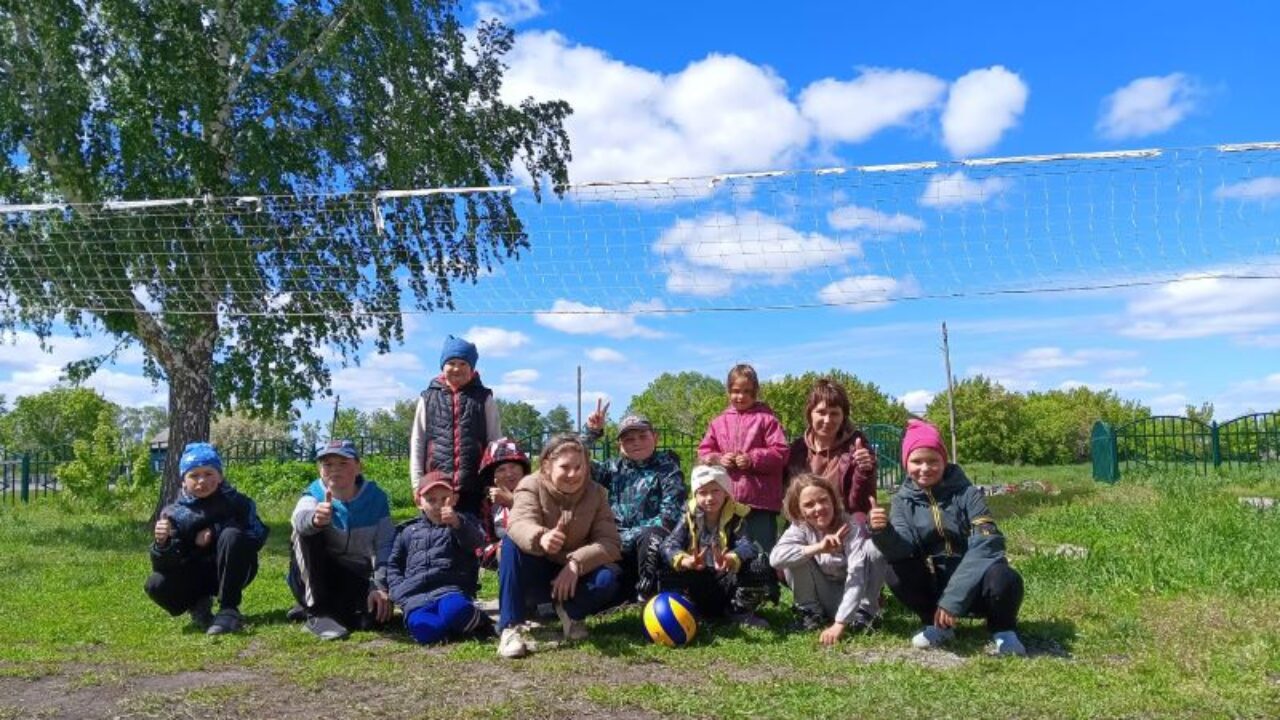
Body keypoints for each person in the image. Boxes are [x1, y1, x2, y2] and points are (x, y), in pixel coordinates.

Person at [869, 419, 1028, 656]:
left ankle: (1003, 630)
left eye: (933, 461)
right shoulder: (901, 501)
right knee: (894, 570)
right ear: (906, 464)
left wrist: (953, 599)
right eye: (916, 461)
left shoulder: (968, 493)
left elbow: (988, 543)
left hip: (977, 585)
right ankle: (938, 625)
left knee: (1006, 577)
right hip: (937, 587)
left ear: (944, 461)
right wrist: (882, 532)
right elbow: (903, 551)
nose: (925, 468)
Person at [496, 434, 622, 659]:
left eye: (579, 466)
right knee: (510, 544)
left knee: (608, 579)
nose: (573, 474)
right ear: (546, 465)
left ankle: (570, 612)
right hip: (537, 568)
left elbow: (610, 543)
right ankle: (510, 626)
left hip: (573, 575)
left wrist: (576, 563)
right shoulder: (530, 485)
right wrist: (541, 537)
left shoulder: (596, 493)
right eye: (565, 467)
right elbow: (518, 523)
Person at [145, 442, 269, 635]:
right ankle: (197, 605)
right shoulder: (173, 513)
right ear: (183, 480)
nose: (201, 481)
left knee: (232, 534)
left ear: (219, 476)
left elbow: (258, 535)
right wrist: (162, 545)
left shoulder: (239, 503)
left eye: (208, 473)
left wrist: (217, 531)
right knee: (155, 584)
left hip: (233, 570)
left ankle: (229, 609)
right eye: (194, 475)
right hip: (195, 573)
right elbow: (164, 567)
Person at [286, 439, 394, 641]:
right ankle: (316, 612)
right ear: (320, 470)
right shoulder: (313, 494)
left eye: (343, 463)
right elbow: (299, 520)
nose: (334, 469)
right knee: (306, 533)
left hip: (353, 574)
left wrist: (380, 587)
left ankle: (319, 610)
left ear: (358, 466)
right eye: (327, 464)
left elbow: (385, 544)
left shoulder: (376, 498)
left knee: (371, 620)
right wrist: (315, 520)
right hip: (312, 575)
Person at [698, 363, 789, 587]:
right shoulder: (718, 422)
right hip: (728, 499)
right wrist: (719, 458)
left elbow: (781, 452)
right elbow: (704, 451)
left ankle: (767, 587)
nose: (741, 396)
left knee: (761, 546)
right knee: (732, 545)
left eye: (747, 391)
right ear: (728, 391)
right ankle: (733, 587)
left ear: (755, 392)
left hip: (760, 499)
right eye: (736, 391)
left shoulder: (767, 420)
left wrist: (752, 459)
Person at [584, 401, 686, 601]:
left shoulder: (669, 469)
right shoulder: (612, 468)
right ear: (619, 446)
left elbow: (669, 518)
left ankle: (649, 598)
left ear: (655, 437)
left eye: (642, 436)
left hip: (652, 548)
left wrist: (624, 539)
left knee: (652, 535)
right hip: (616, 547)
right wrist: (591, 433)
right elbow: (572, 460)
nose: (636, 442)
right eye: (629, 439)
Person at [770, 473, 885, 645]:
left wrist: (839, 623)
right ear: (799, 510)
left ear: (833, 500)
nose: (818, 508)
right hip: (825, 594)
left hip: (854, 595)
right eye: (809, 505)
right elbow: (776, 560)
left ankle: (866, 614)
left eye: (823, 500)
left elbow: (857, 576)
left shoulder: (851, 527)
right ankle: (811, 614)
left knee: (874, 549)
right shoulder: (800, 527)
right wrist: (818, 548)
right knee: (794, 554)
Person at [654, 465, 771, 627]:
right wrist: (685, 560)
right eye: (702, 492)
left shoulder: (737, 517)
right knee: (666, 562)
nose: (709, 498)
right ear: (695, 495)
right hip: (695, 579)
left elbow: (747, 545)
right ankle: (683, 612)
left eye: (715, 491)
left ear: (726, 492)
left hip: (725, 580)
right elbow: (669, 544)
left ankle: (739, 612)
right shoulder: (688, 516)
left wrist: (731, 557)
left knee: (758, 562)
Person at [388, 470, 491, 644]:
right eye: (431, 500)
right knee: (425, 631)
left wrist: (457, 523)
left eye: (444, 498)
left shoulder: (463, 522)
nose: (438, 505)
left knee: (456, 611)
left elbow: (476, 543)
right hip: (415, 596)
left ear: (455, 499)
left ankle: (477, 621)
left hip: (450, 590)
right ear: (418, 502)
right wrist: (398, 590)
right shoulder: (407, 531)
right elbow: (394, 565)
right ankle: (452, 627)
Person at [409, 335, 500, 515]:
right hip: (436, 489)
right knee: (437, 538)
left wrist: (494, 482)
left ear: (472, 369)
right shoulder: (427, 398)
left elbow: (494, 443)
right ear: (443, 367)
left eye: (463, 363)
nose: (457, 368)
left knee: (472, 537)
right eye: (451, 363)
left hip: (473, 488)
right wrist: (417, 483)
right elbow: (418, 442)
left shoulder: (484, 399)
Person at [784, 378, 878, 516]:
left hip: (845, 522)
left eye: (834, 413)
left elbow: (860, 505)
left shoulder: (857, 448)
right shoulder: (797, 450)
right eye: (821, 412)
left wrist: (864, 472)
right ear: (810, 414)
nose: (827, 420)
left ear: (843, 416)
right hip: (805, 524)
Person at [477, 437, 532, 569]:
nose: (509, 474)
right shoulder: (488, 503)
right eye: (501, 469)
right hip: (506, 559)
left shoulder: (537, 492)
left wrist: (512, 503)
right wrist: (498, 549)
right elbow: (481, 544)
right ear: (492, 476)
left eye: (513, 467)